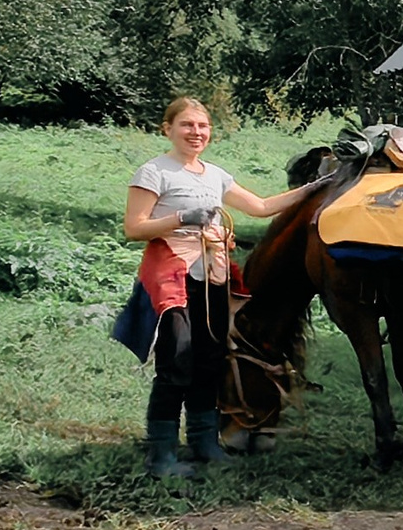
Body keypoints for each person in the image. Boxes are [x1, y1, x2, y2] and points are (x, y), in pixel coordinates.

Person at [119, 97, 309, 478]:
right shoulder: (154, 172)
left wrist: (317, 187)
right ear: (167, 129)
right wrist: (182, 218)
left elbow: (260, 206)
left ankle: (205, 444)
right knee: (177, 362)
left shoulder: (215, 175)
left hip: (214, 275)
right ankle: (162, 456)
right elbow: (134, 227)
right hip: (173, 273)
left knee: (210, 360)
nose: (196, 133)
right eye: (187, 125)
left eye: (202, 126)